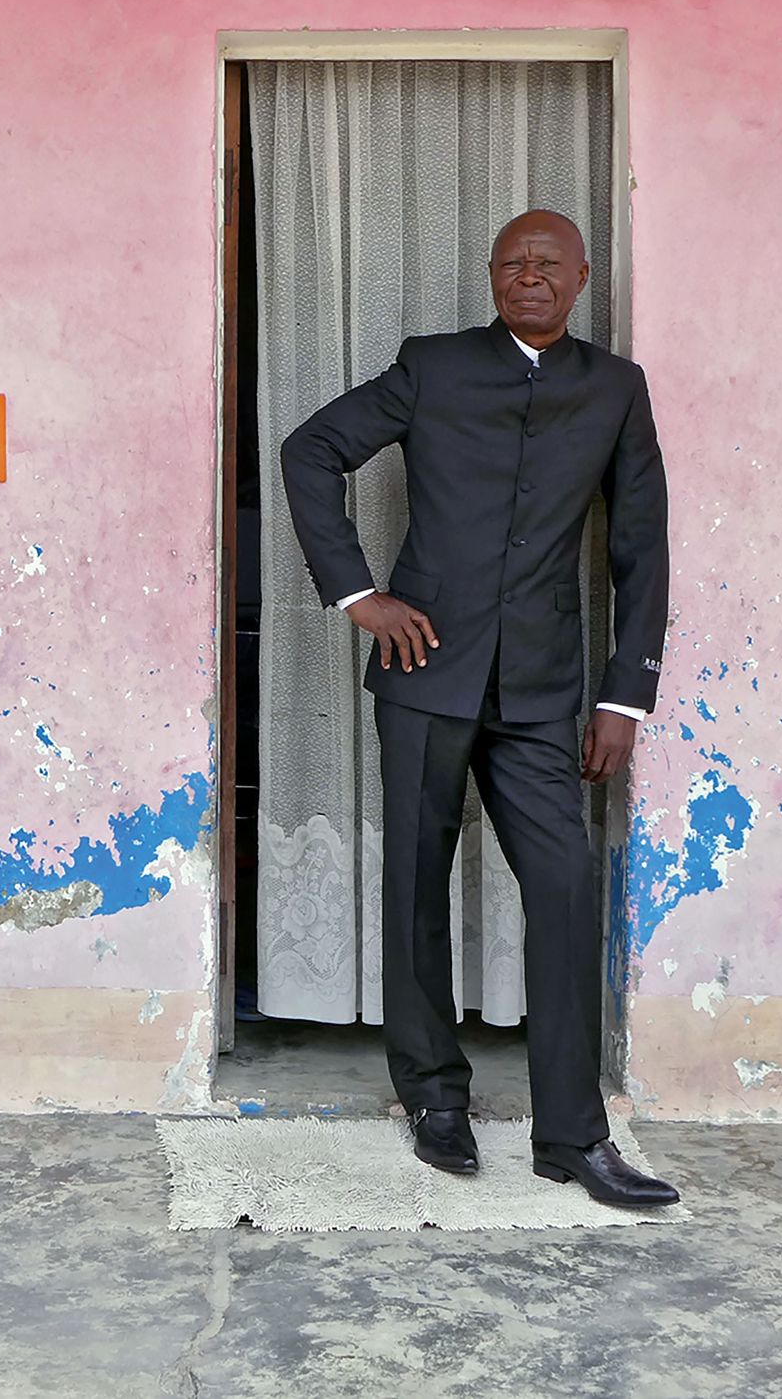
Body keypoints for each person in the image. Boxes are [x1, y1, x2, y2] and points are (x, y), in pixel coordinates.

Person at [280, 209, 677, 1208]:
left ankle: (572, 1136)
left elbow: (640, 548)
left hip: (543, 690)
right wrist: (357, 594)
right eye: (510, 264)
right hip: (426, 671)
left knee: (565, 889)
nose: (527, 276)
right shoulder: (434, 366)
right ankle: (433, 1097)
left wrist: (625, 693)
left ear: (582, 276)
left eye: (546, 263)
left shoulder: (614, 389)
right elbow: (309, 451)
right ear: (491, 277)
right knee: (414, 878)